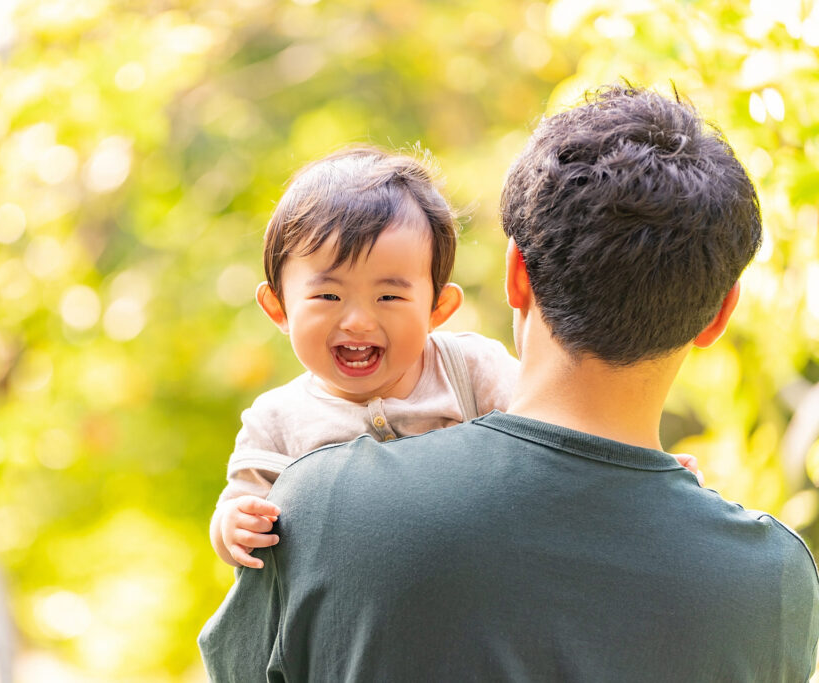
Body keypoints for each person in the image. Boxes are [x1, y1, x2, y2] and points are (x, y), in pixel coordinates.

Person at [198, 85, 819, 681]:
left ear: (516, 274)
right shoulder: (777, 581)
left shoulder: (315, 506)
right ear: (718, 314)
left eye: (389, 293)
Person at [210, 146, 520, 569]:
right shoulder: (277, 422)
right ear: (279, 308)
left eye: (389, 295)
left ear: (437, 309)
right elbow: (238, 509)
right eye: (328, 295)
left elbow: (548, 440)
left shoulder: (469, 370)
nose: (357, 321)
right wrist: (233, 526)